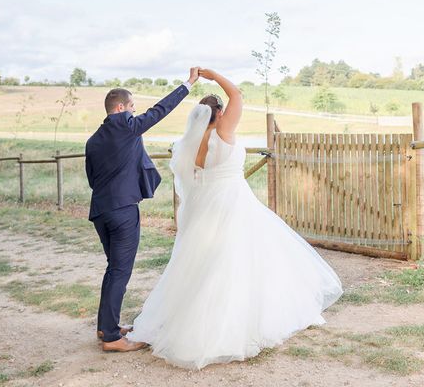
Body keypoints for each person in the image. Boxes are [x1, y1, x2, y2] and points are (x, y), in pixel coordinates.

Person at [127, 68, 343, 368]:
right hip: (231, 202)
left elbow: (193, 177)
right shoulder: (222, 132)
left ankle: (193, 322)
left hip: (206, 204)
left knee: (205, 264)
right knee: (241, 258)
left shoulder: (193, 141)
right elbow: (237, 94)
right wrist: (212, 74)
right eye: (224, 110)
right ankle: (235, 324)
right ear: (218, 115)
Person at [85, 68, 200, 352]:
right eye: (132, 107)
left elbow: (91, 178)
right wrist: (188, 83)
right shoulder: (126, 126)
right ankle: (112, 338)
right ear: (121, 108)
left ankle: (106, 327)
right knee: (119, 271)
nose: (135, 113)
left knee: (114, 270)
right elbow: (160, 110)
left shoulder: (93, 140)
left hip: (101, 210)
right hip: (123, 210)